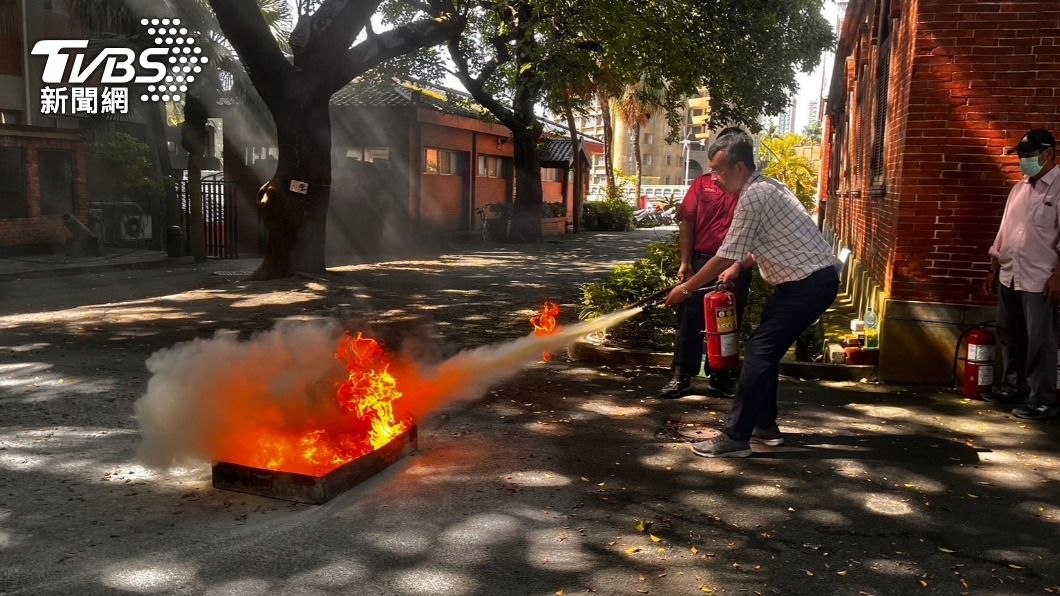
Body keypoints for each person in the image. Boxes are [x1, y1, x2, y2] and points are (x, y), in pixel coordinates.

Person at [663, 130, 839, 457]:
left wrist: (687, 288)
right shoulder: (766, 187)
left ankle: (735, 435)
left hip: (808, 284)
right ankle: (766, 427)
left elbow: (725, 254)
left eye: (718, 170)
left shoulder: (754, 196)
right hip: (804, 283)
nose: (713, 178)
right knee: (763, 353)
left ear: (740, 167)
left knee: (759, 353)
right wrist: (740, 267)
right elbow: (770, 241)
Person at [659, 127, 753, 399]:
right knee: (689, 320)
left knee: (727, 323)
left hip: (735, 265)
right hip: (702, 260)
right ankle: (681, 375)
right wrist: (685, 262)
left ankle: (721, 376)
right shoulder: (702, 184)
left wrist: (739, 266)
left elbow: (755, 239)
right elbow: (687, 223)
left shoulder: (749, 188)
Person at [983, 128, 1060, 421]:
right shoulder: (1019, 189)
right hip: (1010, 275)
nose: (1023, 162)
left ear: (1048, 154)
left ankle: (1042, 400)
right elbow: (1004, 232)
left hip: (1040, 280)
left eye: (1028, 156)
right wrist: (993, 268)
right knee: (1009, 333)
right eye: (1022, 156)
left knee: (1041, 340)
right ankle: (1014, 385)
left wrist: (1058, 278)